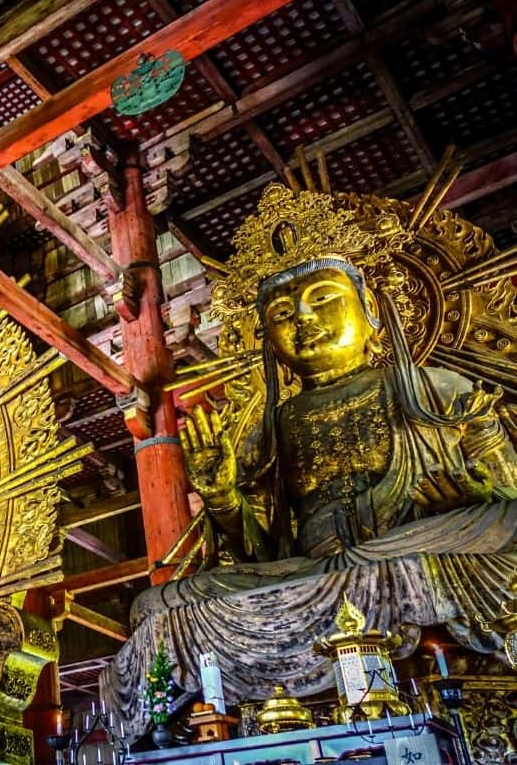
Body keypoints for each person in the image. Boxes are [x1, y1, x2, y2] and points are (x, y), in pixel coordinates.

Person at [102, 185, 517, 729]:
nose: (303, 319)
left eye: (322, 299)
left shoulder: (433, 387)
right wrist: (224, 498)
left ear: (372, 310)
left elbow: (506, 496)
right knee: (155, 607)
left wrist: (480, 495)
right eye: (280, 311)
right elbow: (260, 549)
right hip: (315, 570)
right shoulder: (272, 425)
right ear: (265, 337)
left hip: (412, 545)